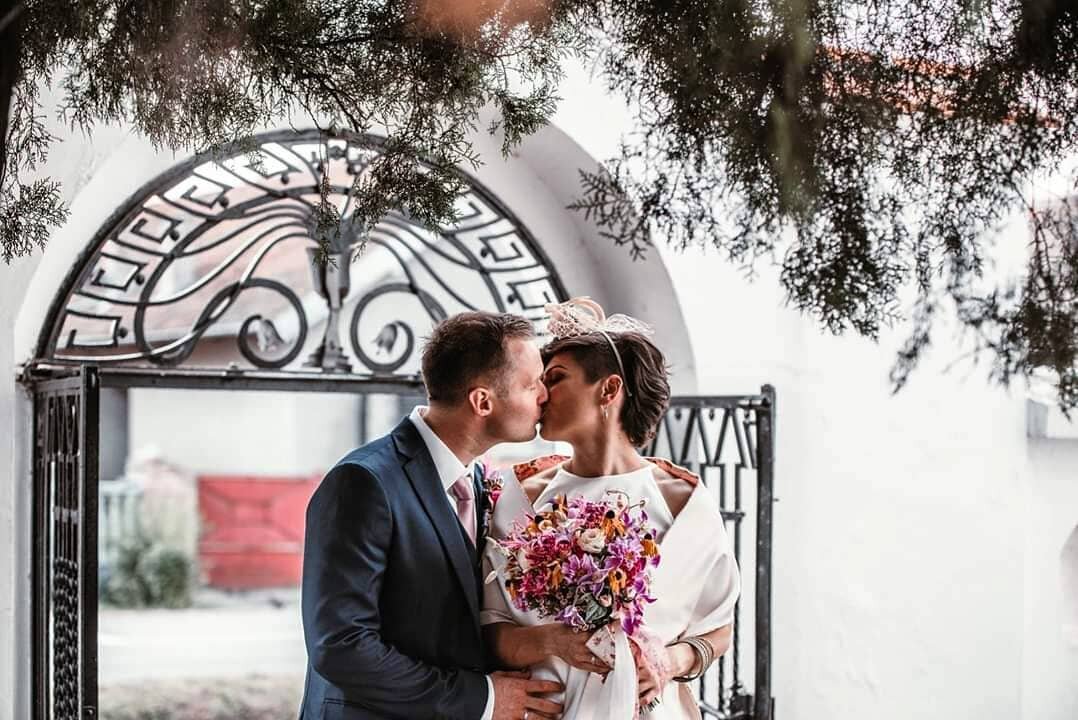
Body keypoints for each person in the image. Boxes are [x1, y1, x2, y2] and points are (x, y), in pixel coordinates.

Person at [481, 298, 741, 720]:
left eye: (557, 378)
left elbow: (717, 627)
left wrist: (668, 662)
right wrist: (552, 641)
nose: (541, 395)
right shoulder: (520, 495)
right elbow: (489, 630)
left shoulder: (685, 504)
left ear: (609, 389)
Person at [299, 311, 564, 720]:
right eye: (532, 385)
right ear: (482, 401)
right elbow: (342, 646)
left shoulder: (479, 482)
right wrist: (483, 699)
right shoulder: (363, 482)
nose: (544, 395)